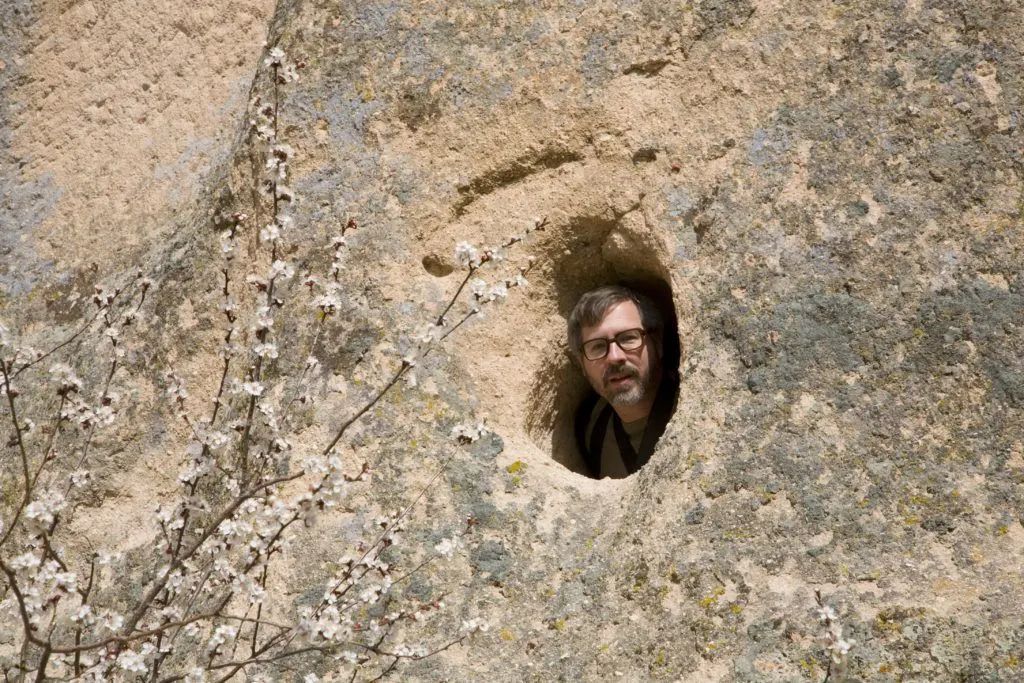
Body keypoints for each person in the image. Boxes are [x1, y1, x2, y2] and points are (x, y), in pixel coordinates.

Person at [569, 285, 677, 479]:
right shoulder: (590, 427)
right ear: (582, 365)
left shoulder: (689, 408)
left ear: (657, 343)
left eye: (628, 338)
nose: (614, 357)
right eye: (597, 346)